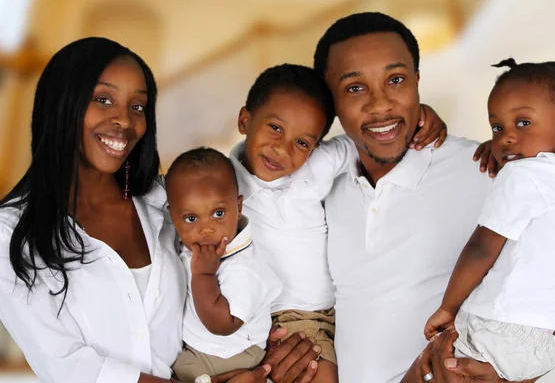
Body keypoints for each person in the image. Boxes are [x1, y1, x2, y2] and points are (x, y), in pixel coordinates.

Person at [0, 37, 313, 383]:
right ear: (62, 103)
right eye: (103, 100)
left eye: (138, 107)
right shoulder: (10, 233)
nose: (124, 120)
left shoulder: (166, 201)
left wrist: (255, 341)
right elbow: (68, 365)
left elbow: (229, 276)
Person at [312, 12, 555, 383]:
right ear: (329, 101)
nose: (381, 105)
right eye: (355, 88)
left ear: (417, 82)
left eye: (396, 80)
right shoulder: (315, 184)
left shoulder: (490, 171)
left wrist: (509, 378)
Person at [231, 63, 448, 382]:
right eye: (275, 128)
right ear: (245, 120)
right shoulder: (220, 183)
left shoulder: (314, 168)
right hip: (287, 318)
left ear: (315, 146)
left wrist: (420, 118)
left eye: (302, 142)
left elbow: (369, 141)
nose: (283, 148)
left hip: (338, 313)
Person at [424, 58, 555, 381]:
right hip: (552, 340)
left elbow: (481, 249)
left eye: (523, 123)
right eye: (497, 127)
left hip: (501, 328)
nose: (505, 138)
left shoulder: (523, 176)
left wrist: (448, 308)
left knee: (427, 370)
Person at [167, 147, 282, 382]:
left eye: (218, 213)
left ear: (238, 208)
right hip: (203, 347)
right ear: (173, 218)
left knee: (183, 373)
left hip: (233, 353)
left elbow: (223, 324)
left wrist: (204, 275)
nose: (206, 228)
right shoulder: (193, 245)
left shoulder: (244, 267)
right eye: (191, 218)